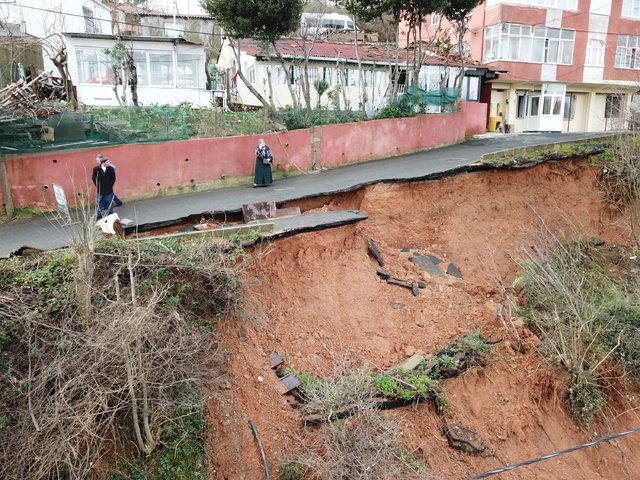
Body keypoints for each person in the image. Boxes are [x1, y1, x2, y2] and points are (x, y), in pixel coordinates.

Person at [92, 154, 116, 219]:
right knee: (99, 203)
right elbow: (94, 178)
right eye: (107, 162)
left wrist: (110, 185)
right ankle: (99, 216)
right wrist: (97, 185)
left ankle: (110, 214)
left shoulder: (111, 169)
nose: (109, 163)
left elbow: (113, 178)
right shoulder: (96, 169)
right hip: (100, 190)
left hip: (109, 190)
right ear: (103, 163)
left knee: (109, 202)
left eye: (108, 161)